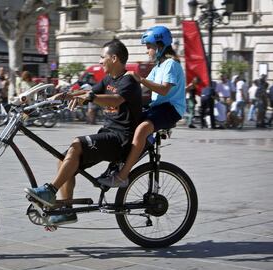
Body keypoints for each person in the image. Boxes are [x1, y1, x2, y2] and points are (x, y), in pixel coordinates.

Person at [24, 39, 142, 225]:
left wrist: (90, 98)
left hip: (120, 140)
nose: (100, 61)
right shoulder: (108, 79)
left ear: (114, 58)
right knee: (64, 160)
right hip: (107, 134)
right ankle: (66, 211)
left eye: (103, 57)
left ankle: (50, 190)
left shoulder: (128, 80)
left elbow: (115, 100)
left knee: (77, 143)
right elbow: (86, 93)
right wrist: (64, 96)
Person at [97, 26, 186, 187]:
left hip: (171, 108)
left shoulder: (171, 64)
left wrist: (140, 78)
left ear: (160, 45)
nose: (147, 51)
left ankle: (122, 176)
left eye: (149, 47)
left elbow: (164, 90)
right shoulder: (159, 66)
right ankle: (116, 166)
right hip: (157, 108)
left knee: (142, 129)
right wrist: (125, 91)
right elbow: (143, 89)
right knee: (129, 124)